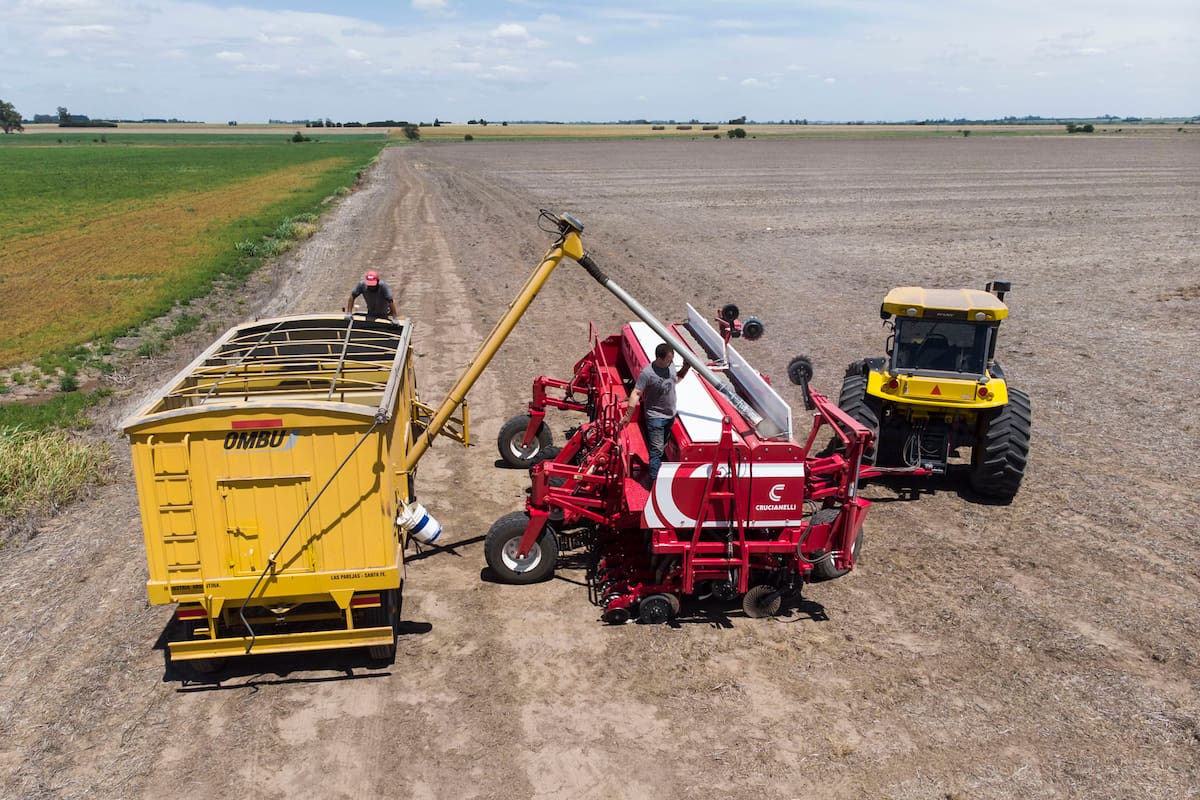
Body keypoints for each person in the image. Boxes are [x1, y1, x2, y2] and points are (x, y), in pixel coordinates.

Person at [619, 342, 690, 481]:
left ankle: (656, 473)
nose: (672, 361)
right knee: (656, 451)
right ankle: (654, 483)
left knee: (661, 447)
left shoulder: (670, 366)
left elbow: (674, 381)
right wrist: (628, 416)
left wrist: (685, 368)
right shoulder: (647, 373)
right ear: (660, 358)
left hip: (670, 415)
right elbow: (636, 393)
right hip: (655, 418)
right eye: (669, 359)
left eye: (672, 358)